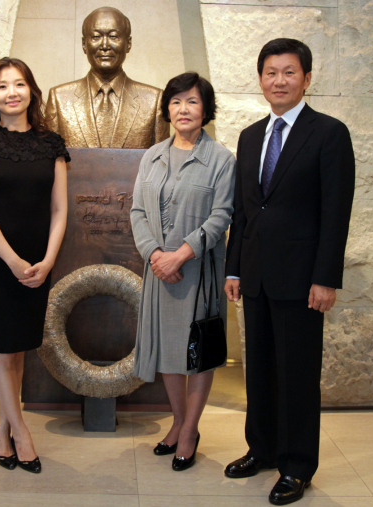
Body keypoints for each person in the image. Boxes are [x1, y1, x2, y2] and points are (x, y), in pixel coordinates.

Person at [223, 38, 355, 505]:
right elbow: (243, 210)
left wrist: (325, 278)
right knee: (257, 369)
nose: (279, 81)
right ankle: (261, 449)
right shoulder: (251, 135)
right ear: (260, 79)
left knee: (297, 373)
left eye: (289, 72)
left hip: (303, 280)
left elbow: (335, 212)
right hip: (255, 276)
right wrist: (234, 268)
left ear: (307, 78)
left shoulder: (328, 133)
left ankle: (297, 465)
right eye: (271, 73)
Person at [0, 57, 69, 474]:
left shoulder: (51, 143)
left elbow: (60, 210)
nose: (11, 92)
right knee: (3, 348)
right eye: (2, 86)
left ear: (31, 91)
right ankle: (21, 433)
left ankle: (2, 428)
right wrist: (12, 260)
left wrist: (46, 261)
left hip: (38, 261)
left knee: (20, 347)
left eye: (19, 84)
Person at [131, 72, 236, 471]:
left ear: (205, 109)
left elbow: (222, 215)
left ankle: (190, 430)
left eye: (191, 101)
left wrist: (180, 255)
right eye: (175, 102)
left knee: (198, 353)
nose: (183, 109)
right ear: (167, 109)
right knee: (170, 353)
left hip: (198, 273)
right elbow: (138, 210)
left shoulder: (222, 159)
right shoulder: (152, 155)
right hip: (159, 270)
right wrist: (156, 254)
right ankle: (178, 422)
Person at [45, 6, 169, 149]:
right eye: (96, 37)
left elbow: (161, 164)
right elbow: (50, 161)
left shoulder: (154, 100)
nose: (104, 45)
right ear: (84, 44)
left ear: (128, 44)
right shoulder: (59, 98)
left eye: (113, 36)